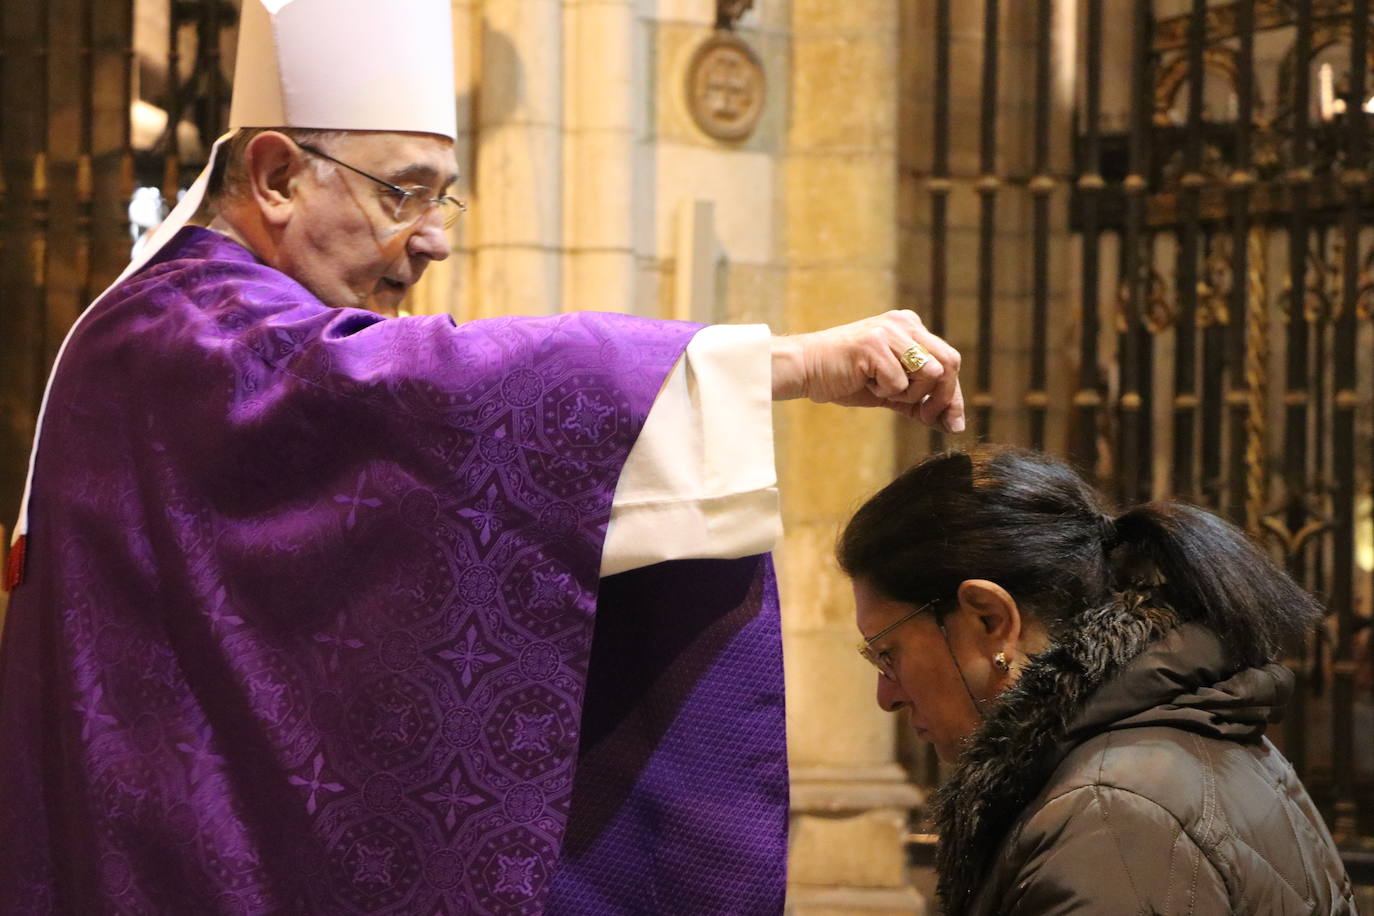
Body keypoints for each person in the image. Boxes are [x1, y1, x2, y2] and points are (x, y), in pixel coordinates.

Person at [0, 1, 963, 913]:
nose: (432, 240)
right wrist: (790, 361)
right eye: (402, 192)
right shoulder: (189, 332)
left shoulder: (197, 320)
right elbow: (424, 392)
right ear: (278, 176)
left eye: (441, 197)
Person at [838, 447, 1357, 915]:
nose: (886, 696)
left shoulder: (1109, 816)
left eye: (889, 654)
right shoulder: (1164, 741)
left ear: (989, 619)